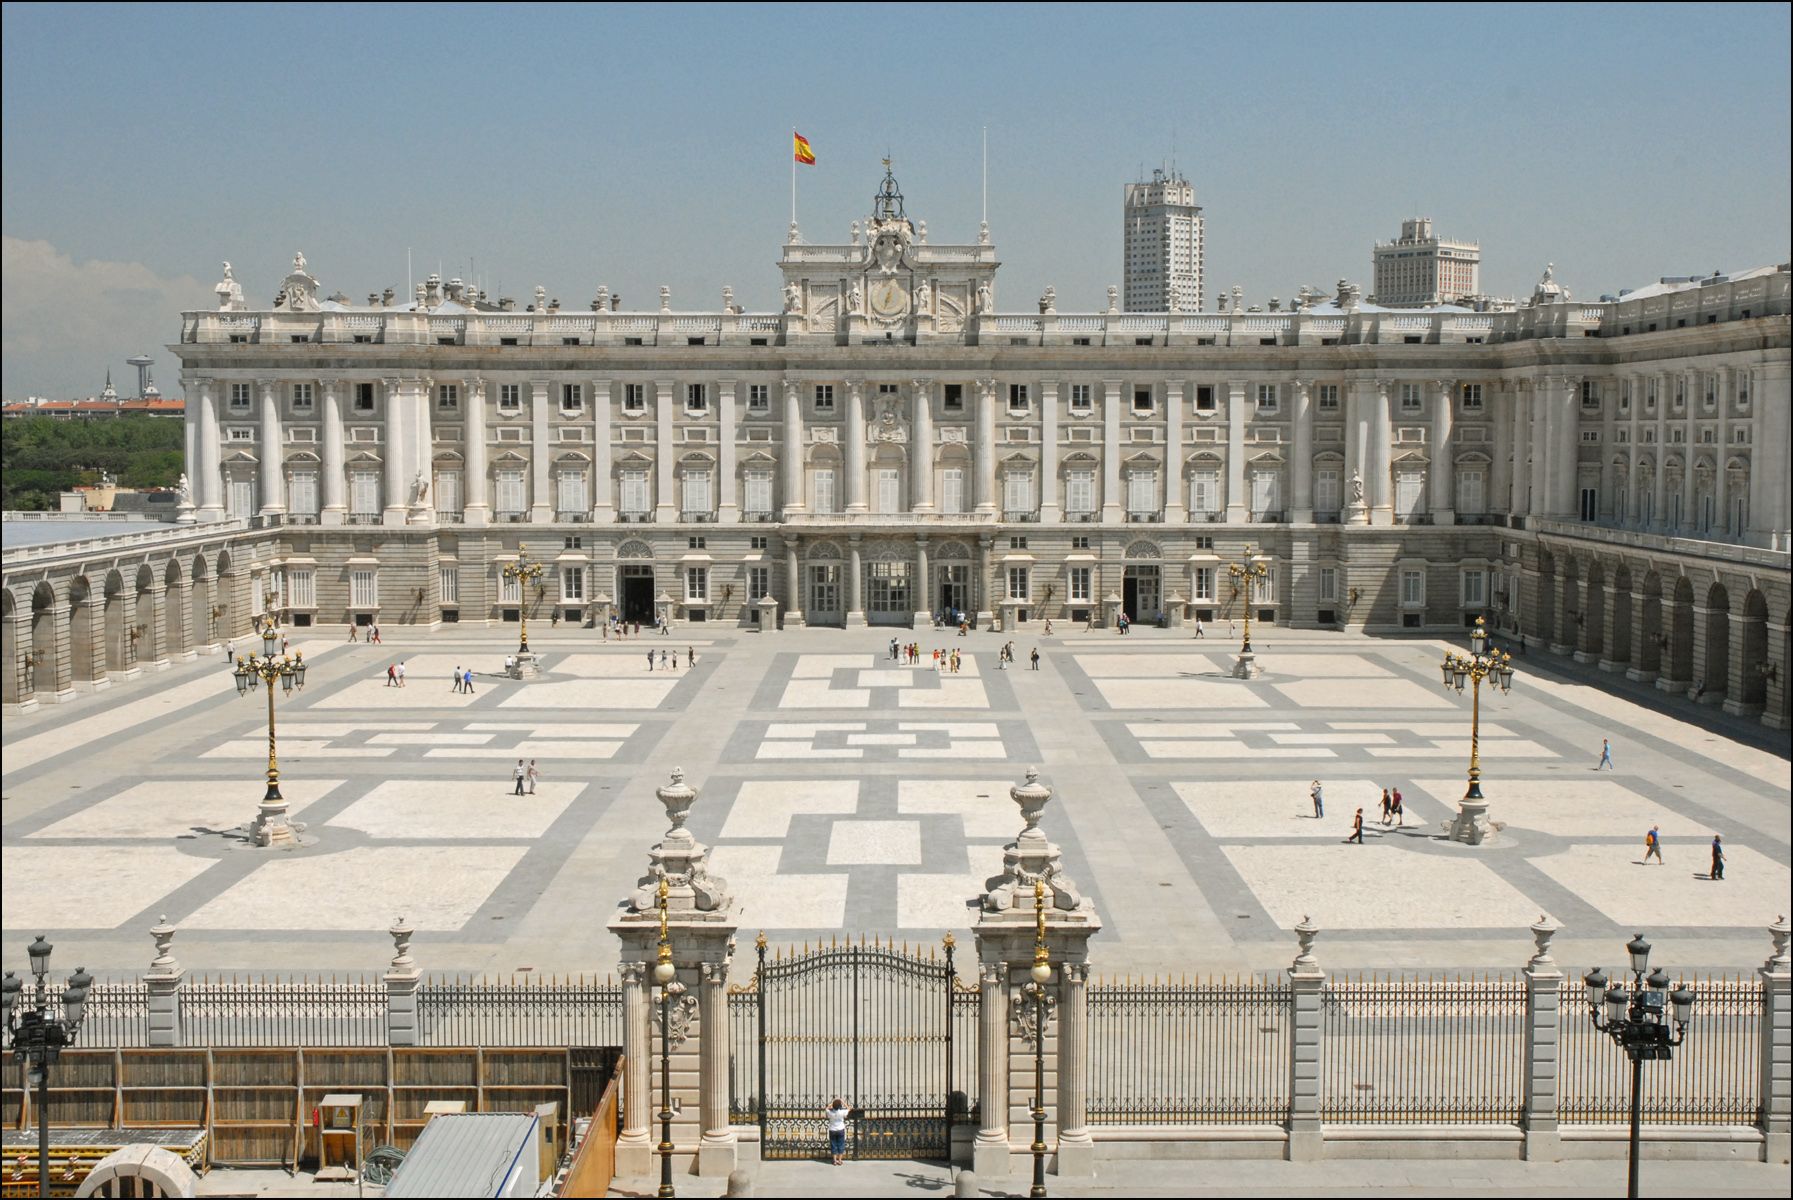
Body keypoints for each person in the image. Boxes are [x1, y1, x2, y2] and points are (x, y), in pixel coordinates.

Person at [825, 1098, 849, 1167]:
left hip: (832, 1130)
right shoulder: (842, 1112)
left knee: (833, 1145)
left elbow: (826, 1108)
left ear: (833, 1106)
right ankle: (840, 1160)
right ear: (840, 1106)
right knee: (841, 1144)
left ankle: (834, 1161)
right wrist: (843, 1102)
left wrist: (832, 1103)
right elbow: (849, 1108)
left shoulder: (830, 1112)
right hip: (840, 1129)